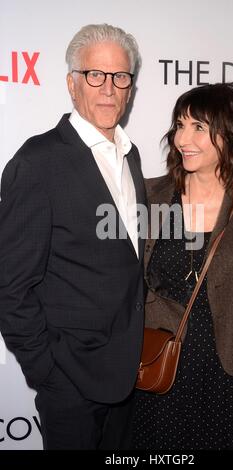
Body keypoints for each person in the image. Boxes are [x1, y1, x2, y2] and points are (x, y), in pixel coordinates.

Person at [0, 24, 146, 450]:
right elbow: (11, 285)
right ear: (72, 83)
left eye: (120, 77)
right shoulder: (38, 161)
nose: (108, 88)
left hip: (128, 374)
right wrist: (47, 370)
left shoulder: (130, 155)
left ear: (130, 88)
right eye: (94, 75)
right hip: (70, 381)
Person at [130, 83, 233, 450]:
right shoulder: (149, 195)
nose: (183, 138)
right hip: (160, 366)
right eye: (179, 125)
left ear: (232, 134)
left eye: (198, 127)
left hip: (232, 373)